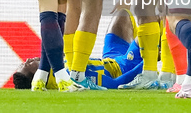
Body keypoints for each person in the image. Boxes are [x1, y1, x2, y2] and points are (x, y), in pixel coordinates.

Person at [12, 9, 144, 90]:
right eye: (28, 64)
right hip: (123, 67)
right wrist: (146, 65)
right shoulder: (71, 78)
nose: (29, 59)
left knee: (122, 14)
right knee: (147, 30)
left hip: (110, 57)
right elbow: (117, 84)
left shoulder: (57, 69)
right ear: (37, 77)